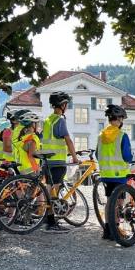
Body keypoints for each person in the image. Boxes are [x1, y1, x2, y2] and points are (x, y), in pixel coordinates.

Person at [41, 91, 79, 232]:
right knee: (54, 191)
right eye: (66, 104)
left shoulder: (47, 120)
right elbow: (67, 139)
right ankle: (51, 223)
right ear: (62, 105)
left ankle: (48, 218)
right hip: (57, 161)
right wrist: (74, 157)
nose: (67, 106)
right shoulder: (59, 120)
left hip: (47, 161)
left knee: (50, 190)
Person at [96, 104, 133, 240]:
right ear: (119, 119)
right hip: (119, 175)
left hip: (106, 174)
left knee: (109, 201)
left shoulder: (101, 135)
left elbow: (97, 154)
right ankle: (116, 229)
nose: (122, 121)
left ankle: (107, 229)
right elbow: (127, 156)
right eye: (122, 118)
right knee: (119, 202)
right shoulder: (122, 135)